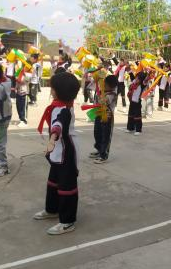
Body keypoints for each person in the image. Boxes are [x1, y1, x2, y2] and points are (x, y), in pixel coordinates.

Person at [34, 72, 80, 235]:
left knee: (67, 186)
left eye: (52, 87)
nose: (51, 90)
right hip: (57, 151)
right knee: (53, 182)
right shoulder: (58, 105)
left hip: (66, 151)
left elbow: (59, 124)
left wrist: (52, 139)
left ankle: (67, 221)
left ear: (59, 91)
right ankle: (52, 209)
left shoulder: (64, 109)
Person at [90, 74, 118, 164]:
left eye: (106, 85)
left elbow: (104, 101)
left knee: (105, 136)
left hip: (107, 117)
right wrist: (97, 80)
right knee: (97, 133)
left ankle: (103, 155)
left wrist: (100, 94)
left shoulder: (112, 94)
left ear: (112, 86)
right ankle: (99, 150)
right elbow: (91, 87)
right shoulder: (102, 90)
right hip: (99, 114)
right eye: (104, 84)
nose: (104, 85)